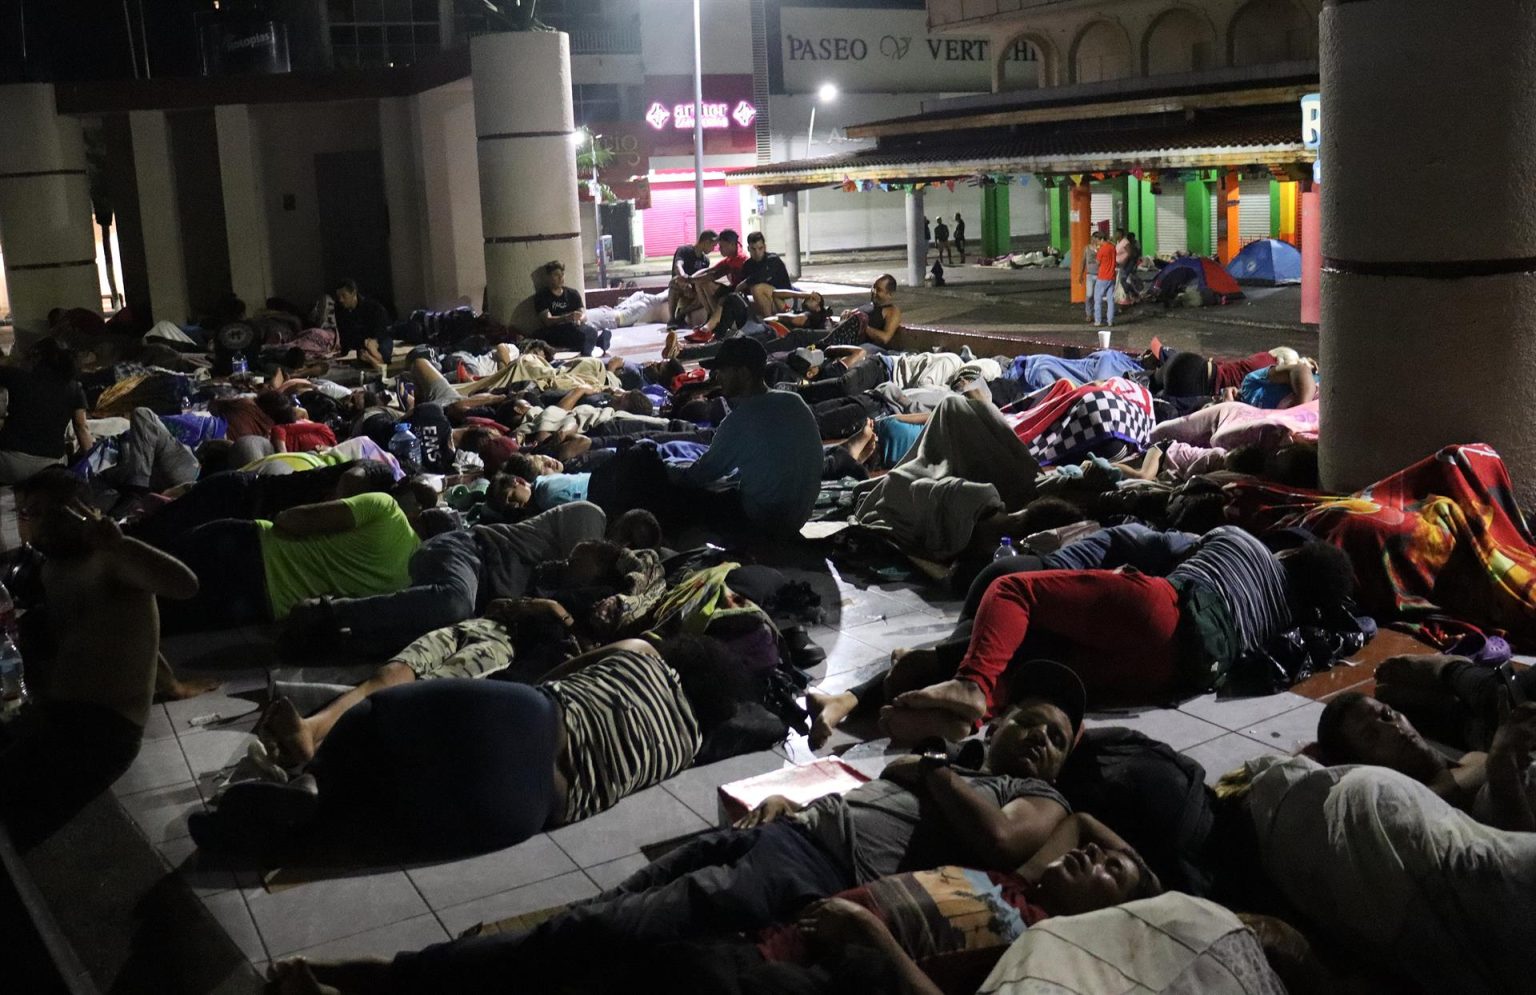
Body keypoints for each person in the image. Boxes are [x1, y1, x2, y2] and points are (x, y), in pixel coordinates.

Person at [264, 660, 1092, 994]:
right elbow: (935, 702)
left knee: (601, 929)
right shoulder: (966, 752)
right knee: (596, 917)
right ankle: (425, 973)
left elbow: (1000, 842)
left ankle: (387, 977)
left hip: (801, 873)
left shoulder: (1032, 797)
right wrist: (801, 799)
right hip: (783, 834)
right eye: (1034, 720)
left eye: (1057, 736)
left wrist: (937, 767)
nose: (1040, 738)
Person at [191, 635, 748, 856]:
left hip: (528, 719)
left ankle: (317, 766)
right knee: (382, 818)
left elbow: (551, 676)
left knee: (378, 721)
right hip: (531, 808)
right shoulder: (687, 746)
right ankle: (300, 814)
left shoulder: (643, 652)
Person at [887, 527, 1357, 740]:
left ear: (1292, 555)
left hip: (1161, 609)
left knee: (1012, 590)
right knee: (1041, 677)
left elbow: (1162, 549)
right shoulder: (1285, 625)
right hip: (1173, 675)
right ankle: (966, 719)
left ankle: (971, 685)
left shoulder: (1245, 542)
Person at [0, 468, 199, 848]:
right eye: (23, 514)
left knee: (16, 810)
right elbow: (123, 636)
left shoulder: (109, 561)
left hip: (103, 730)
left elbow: (185, 585)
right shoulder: (53, 568)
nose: (29, 524)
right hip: (61, 714)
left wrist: (120, 544)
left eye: (39, 512)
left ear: (77, 512)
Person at [157, 485, 432, 633]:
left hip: (245, 549)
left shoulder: (386, 510)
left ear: (419, 514)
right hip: (259, 606)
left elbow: (290, 521)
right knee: (162, 618)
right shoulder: (407, 579)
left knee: (140, 581)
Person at [1317, 683, 1536, 832]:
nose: (1394, 729)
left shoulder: (1471, 758)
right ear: (1362, 763)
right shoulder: (1428, 803)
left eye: (1387, 715)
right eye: (1371, 736)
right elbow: (1516, 852)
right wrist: (1503, 768)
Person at [679, 337, 823, 535]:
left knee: (689, 495)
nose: (717, 377)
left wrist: (667, 470)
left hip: (765, 520)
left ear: (744, 374)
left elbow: (698, 476)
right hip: (801, 514)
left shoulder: (738, 421)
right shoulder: (794, 400)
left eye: (722, 371)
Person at [0, 337, 93, 484]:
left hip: (11, 463)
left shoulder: (17, 377)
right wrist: (92, 464)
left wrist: (13, 360)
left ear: (36, 357)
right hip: (52, 467)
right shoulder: (74, 388)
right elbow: (81, 428)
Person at [533, 261, 609, 356]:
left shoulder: (572, 293)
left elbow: (583, 315)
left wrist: (579, 319)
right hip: (556, 329)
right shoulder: (542, 296)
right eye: (556, 275)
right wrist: (566, 318)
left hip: (574, 326)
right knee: (578, 335)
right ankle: (598, 342)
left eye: (562, 274)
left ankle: (591, 345)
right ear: (548, 277)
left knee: (589, 331)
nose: (561, 278)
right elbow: (547, 320)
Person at [333, 279, 391, 367]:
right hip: (361, 341)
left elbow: (382, 325)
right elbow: (343, 331)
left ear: (353, 293)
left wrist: (374, 340)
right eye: (339, 296)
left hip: (379, 339)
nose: (341, 300)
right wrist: (344, 351)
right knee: (364, 359)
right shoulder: (340, 310)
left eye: (344, 296)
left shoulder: (372, 307)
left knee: (384, 355)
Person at [739, 232, 797, 317]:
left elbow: (759, 277)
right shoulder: (747, 265)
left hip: (784, 301)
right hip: (763, 300)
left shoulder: (773, 260)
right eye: (753, 249)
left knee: (757, 288)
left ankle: (770, 323)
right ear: (748, 249)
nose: (757, 252)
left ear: (765, 247)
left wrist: (741, 285)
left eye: (760, 248)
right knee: (741, 303)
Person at [667, 230, 717, 329]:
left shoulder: (705, 261)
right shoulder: (684, 250)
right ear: (706, 242)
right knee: (675, 282)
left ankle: (682, 314)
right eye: (713, 245)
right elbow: (678, 265)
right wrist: (684, 279)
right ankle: (672, 319)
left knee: (705, 291)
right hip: (682, 285)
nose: (713, 249)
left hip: (694, 291)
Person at [1094, 230, 1117, 327]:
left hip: (1102, 276)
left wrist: (1097, 251)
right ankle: (1110, 321)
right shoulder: (1113, 247)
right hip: (1111, 276)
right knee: (1110, 300)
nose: (1097, 243)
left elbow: (1098, 263)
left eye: (1097, 241)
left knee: (1097, 299)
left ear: (1102, 239)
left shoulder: (1102, 249)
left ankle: (1098, 321)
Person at [1081, 232, 1101, 323]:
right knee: (1089, 295)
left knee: (1097, 296)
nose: (1094, 240)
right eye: (1093, 238)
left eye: (1096, 238)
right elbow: (1083, 261)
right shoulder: (1086, 248)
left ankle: (1096, 314)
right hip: (1089, 274)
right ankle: (1089, 313)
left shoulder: (1100, 248)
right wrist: (1080, 274)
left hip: (1099, 275)